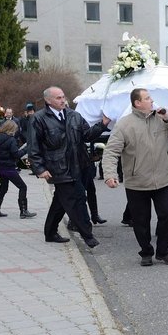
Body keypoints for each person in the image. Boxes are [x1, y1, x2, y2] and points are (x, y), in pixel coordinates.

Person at [101, 88, 168, 266]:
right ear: (137, 103)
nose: (152, 100)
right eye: (147, 98)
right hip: (137, 182)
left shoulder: (161, 119)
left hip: (164, 180)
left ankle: (163, 251)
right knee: (141, 221)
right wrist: (109, 174)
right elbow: (111, 152)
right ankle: (146, 252)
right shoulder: (124, 124)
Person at [28, 87, 107, 247]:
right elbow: (33, 145)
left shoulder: (74, 116)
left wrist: (103, 124)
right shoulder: (39, 118)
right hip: (58, 167)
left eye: (63, 97)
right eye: (58, 98)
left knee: (60, 201)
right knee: (76, 199)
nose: (63, 100)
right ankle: (87, 235)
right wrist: (40, 168)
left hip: (79, 165)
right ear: (48, 101)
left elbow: (87, 135)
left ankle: (50, 232)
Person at [0, 120, 36, 219]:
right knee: (22, 187)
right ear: (11, 129)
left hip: (1, 167)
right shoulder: (11, 140)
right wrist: (26, 149)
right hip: (9, 168)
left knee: (3, 188)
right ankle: (23, 211)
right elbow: (16, 154)